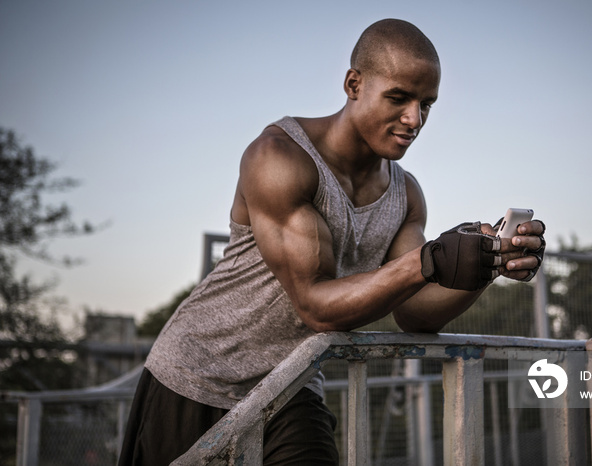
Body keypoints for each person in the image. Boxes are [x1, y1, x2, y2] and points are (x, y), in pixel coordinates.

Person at [118, 18, 546, 465]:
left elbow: (414, 313)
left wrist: (486, 263)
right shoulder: (280, 157)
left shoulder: (405, 194)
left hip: (291, 384)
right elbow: (315, 304)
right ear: (354, 84)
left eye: (426, 104)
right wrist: (430, 259)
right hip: (196, 376)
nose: (414, 119)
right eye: (398, 98)